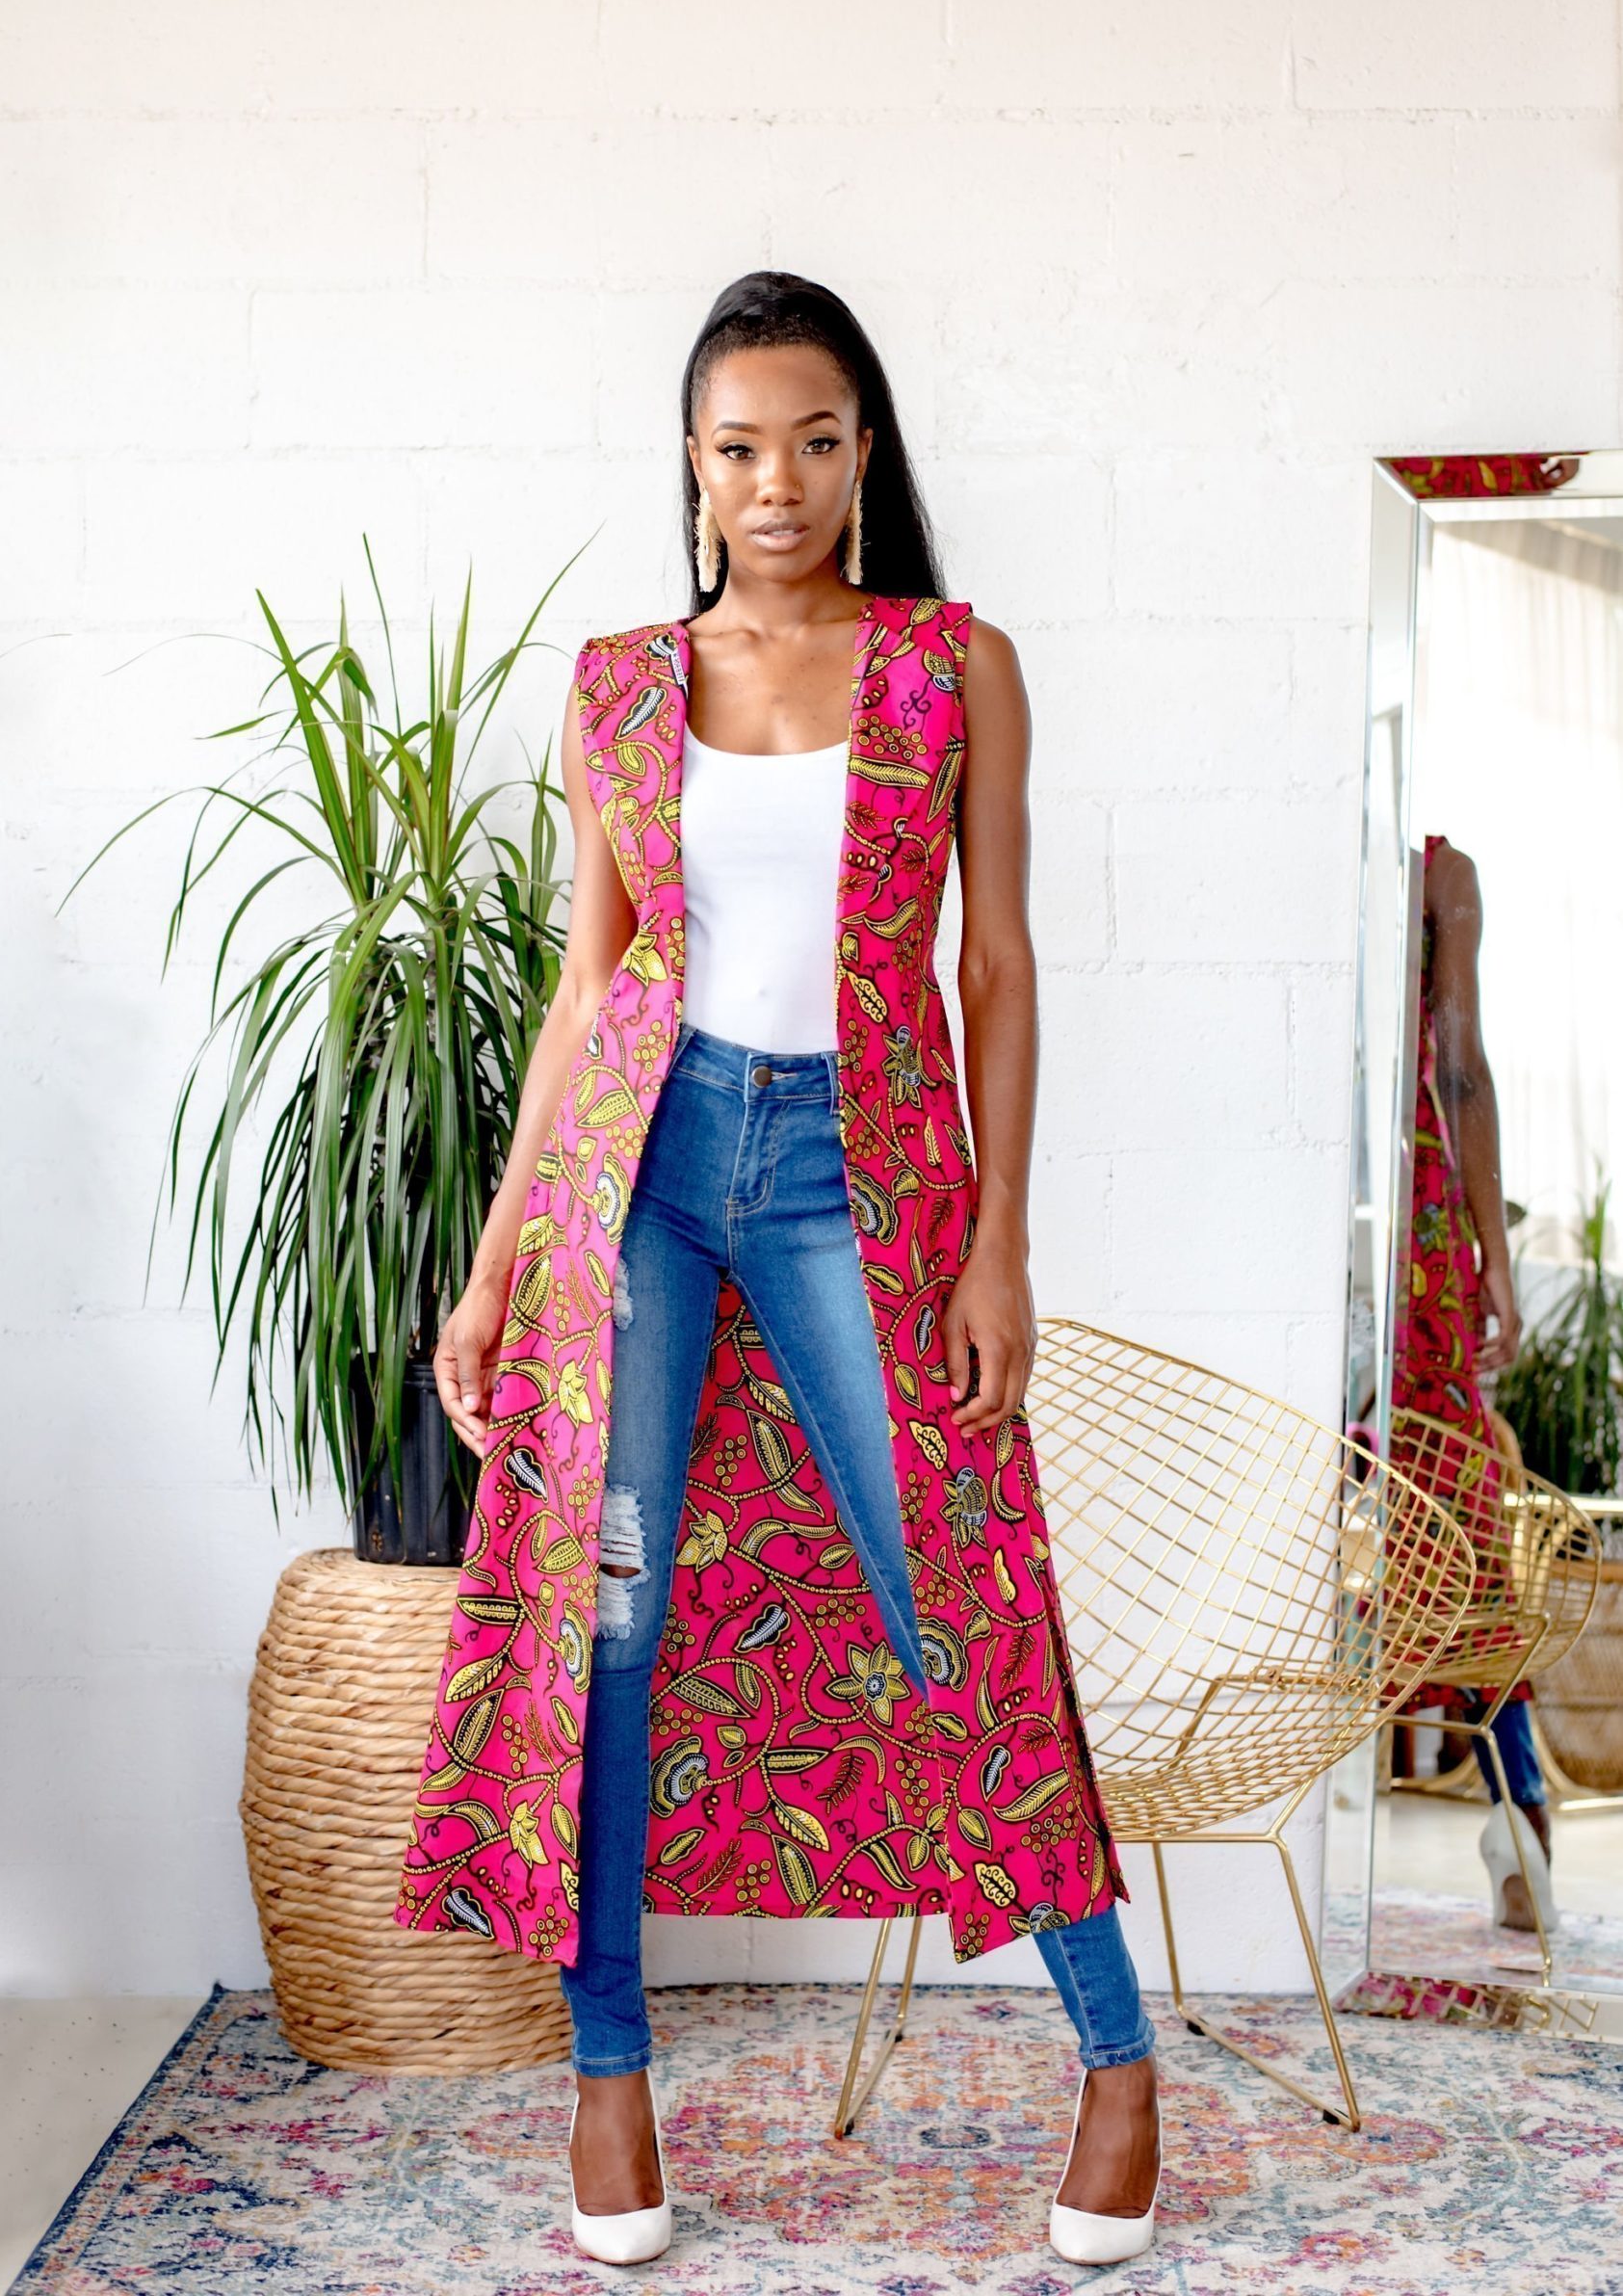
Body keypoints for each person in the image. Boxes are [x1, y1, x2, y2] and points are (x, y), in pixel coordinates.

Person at [426, 272, 1162, 2266]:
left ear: (862, 453)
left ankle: (1114, 2057)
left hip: (859, 1171)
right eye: (739, 445)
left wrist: (997, 1239)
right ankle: (606, 2070)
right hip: (642, 1176)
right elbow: (586, 993)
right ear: (690, 459)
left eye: (813, 442)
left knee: (958, 1602)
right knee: (611, 1623)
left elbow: (992, 964)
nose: (776, 481)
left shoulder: (951, 665)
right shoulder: (615, 685)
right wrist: (495, 1268)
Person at [1390, 831, 1550, 1928]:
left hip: (1339, 1211)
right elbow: (1458, 1070)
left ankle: (1516, 1810)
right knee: (1455, 1521)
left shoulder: (1364, 866)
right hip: (1415, 1232)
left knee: (1379, 1520)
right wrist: (1492, 1252)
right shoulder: (1438, 873)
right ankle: (1519, 1809)